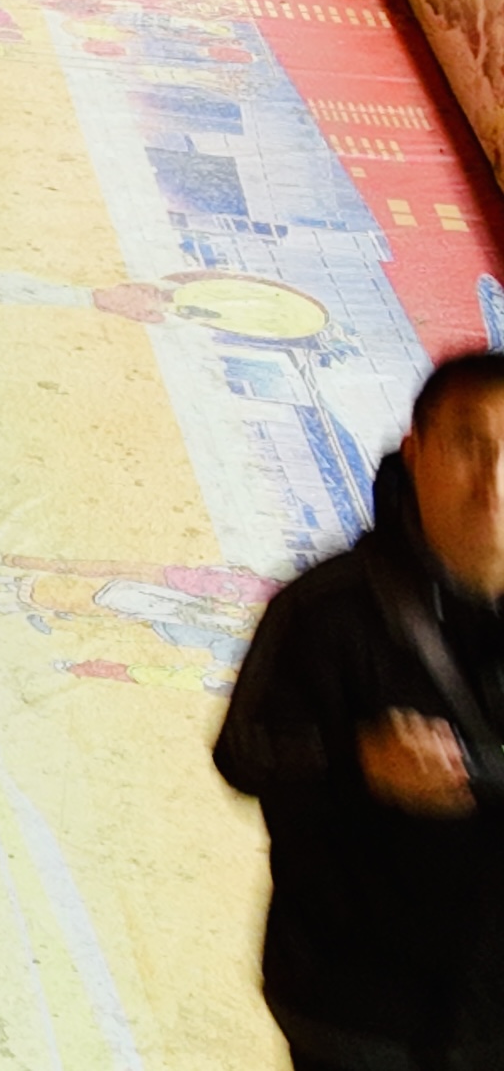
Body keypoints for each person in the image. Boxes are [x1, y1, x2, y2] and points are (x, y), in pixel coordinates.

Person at [213, 348, 504, 1071]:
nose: (494, 482)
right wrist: (359, 762)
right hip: (357, 1013)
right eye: (469, 445)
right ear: (417, 452)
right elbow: (244, 752)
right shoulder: (325, 610)